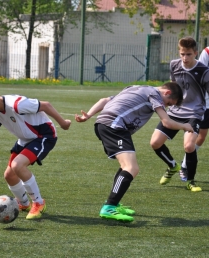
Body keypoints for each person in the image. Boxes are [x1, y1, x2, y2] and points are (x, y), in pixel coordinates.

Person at [75, 82, 193, 222]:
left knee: (126, 166)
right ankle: (109, 207)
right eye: (168, 103)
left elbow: (105, 100)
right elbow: (166, 122)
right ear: (166, 92)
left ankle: (114, 203)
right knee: (131, 168)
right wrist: (185, 126)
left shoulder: (136, 87)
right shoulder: (154, 94)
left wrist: (88, 115)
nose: (165, 106)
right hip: (114, 125)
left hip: (108, 124)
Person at [0, 82, 71, 220]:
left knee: (17, 165)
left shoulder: (17, 104)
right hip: (25, 139)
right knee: (9, 175)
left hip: (43, 135)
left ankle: (38, 202)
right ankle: (23, 203)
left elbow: (46, 105)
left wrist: (63, 124)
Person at [150, 36, 209, 192]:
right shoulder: (174, 65)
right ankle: (172, 166)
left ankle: (191, 181)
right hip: (175, 111)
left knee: (189, 146)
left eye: (188, 54)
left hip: (194, 112)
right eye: (182, 54)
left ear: (195, 53)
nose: (185, 58)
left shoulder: (203, 71)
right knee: (155, 143)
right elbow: (172, 87)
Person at [179, 47, 209, 181]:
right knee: (200, 137)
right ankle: (185, 166)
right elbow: (198, 71)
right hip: (205, 103)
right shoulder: (207, 52)